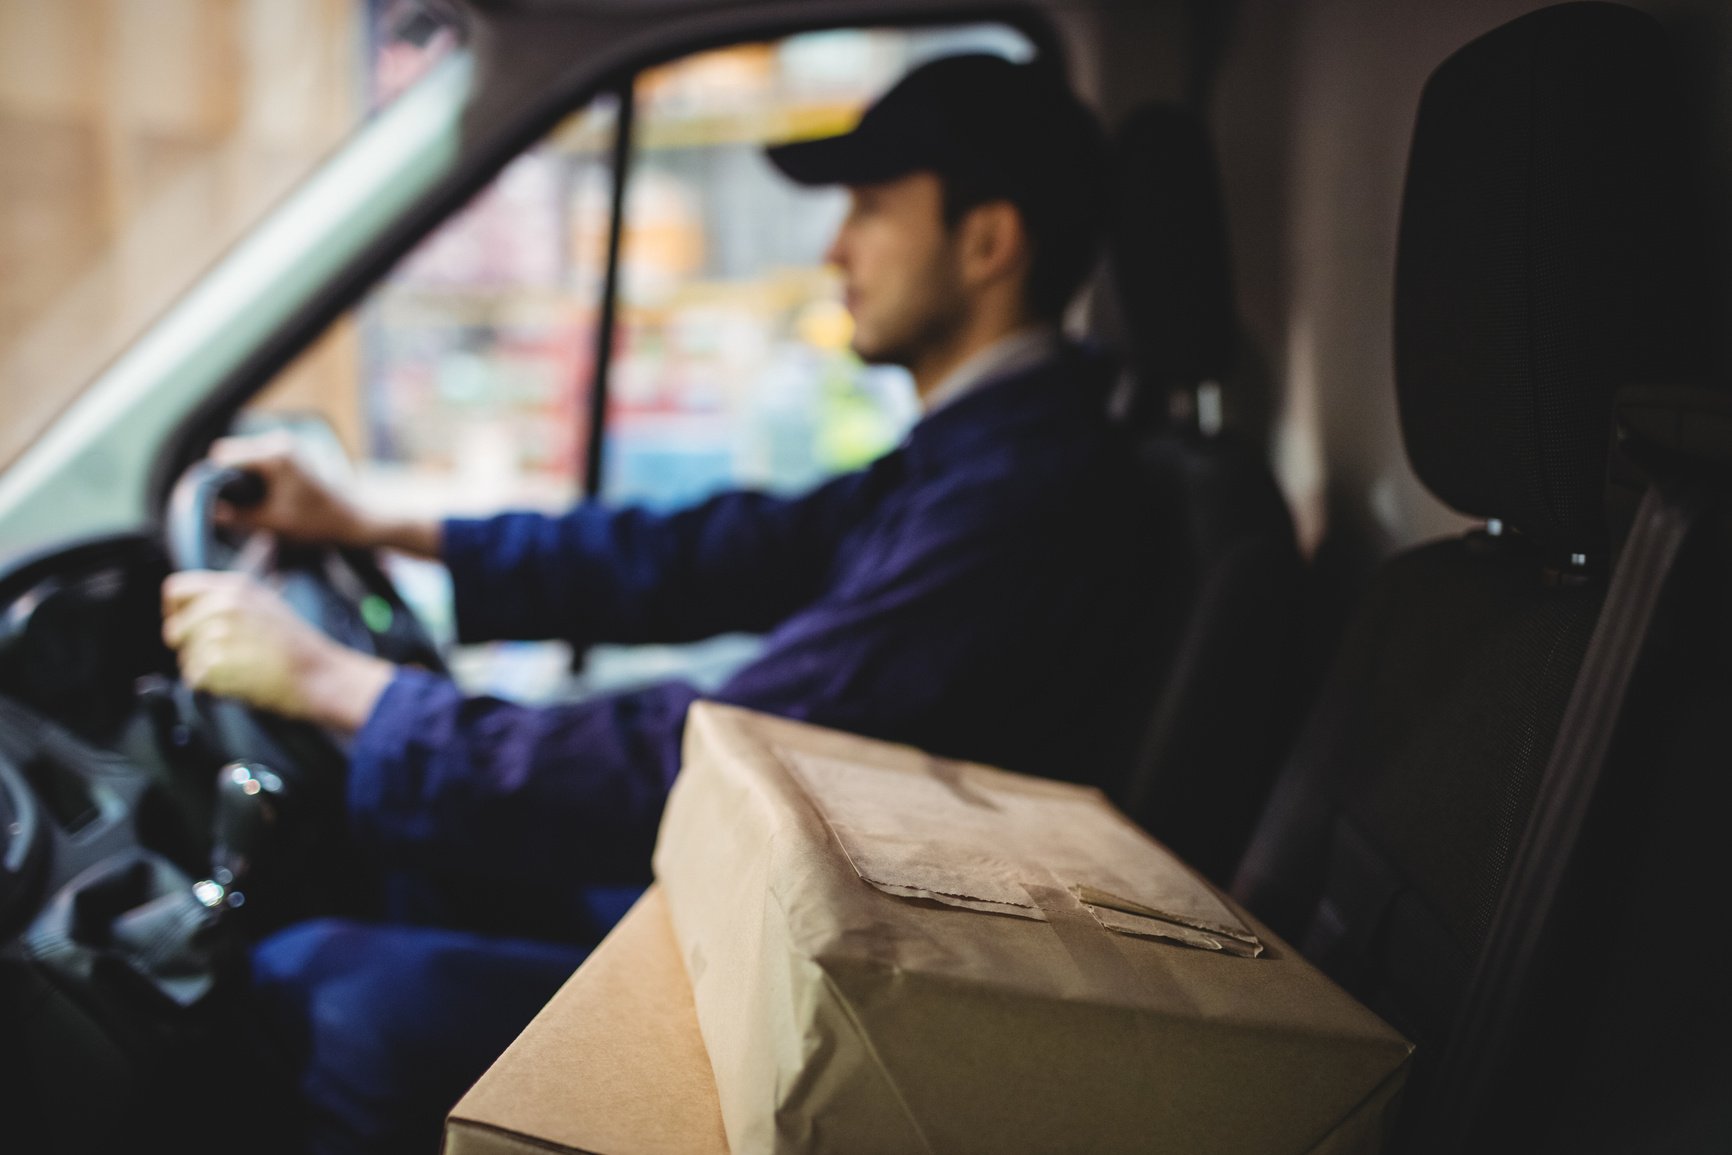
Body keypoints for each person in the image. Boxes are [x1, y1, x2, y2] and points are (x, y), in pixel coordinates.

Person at [162, 52, 1170, 1154]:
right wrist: (381, 526)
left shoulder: (1023, 498)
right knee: (419, 860)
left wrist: (333, 682)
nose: (835, 247)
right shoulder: (976, 453)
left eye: (873, 209)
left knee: (312, 983)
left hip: (839, 999)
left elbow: (722, 753)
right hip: (784, 923)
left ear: (987, 242)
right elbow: (700, 552)